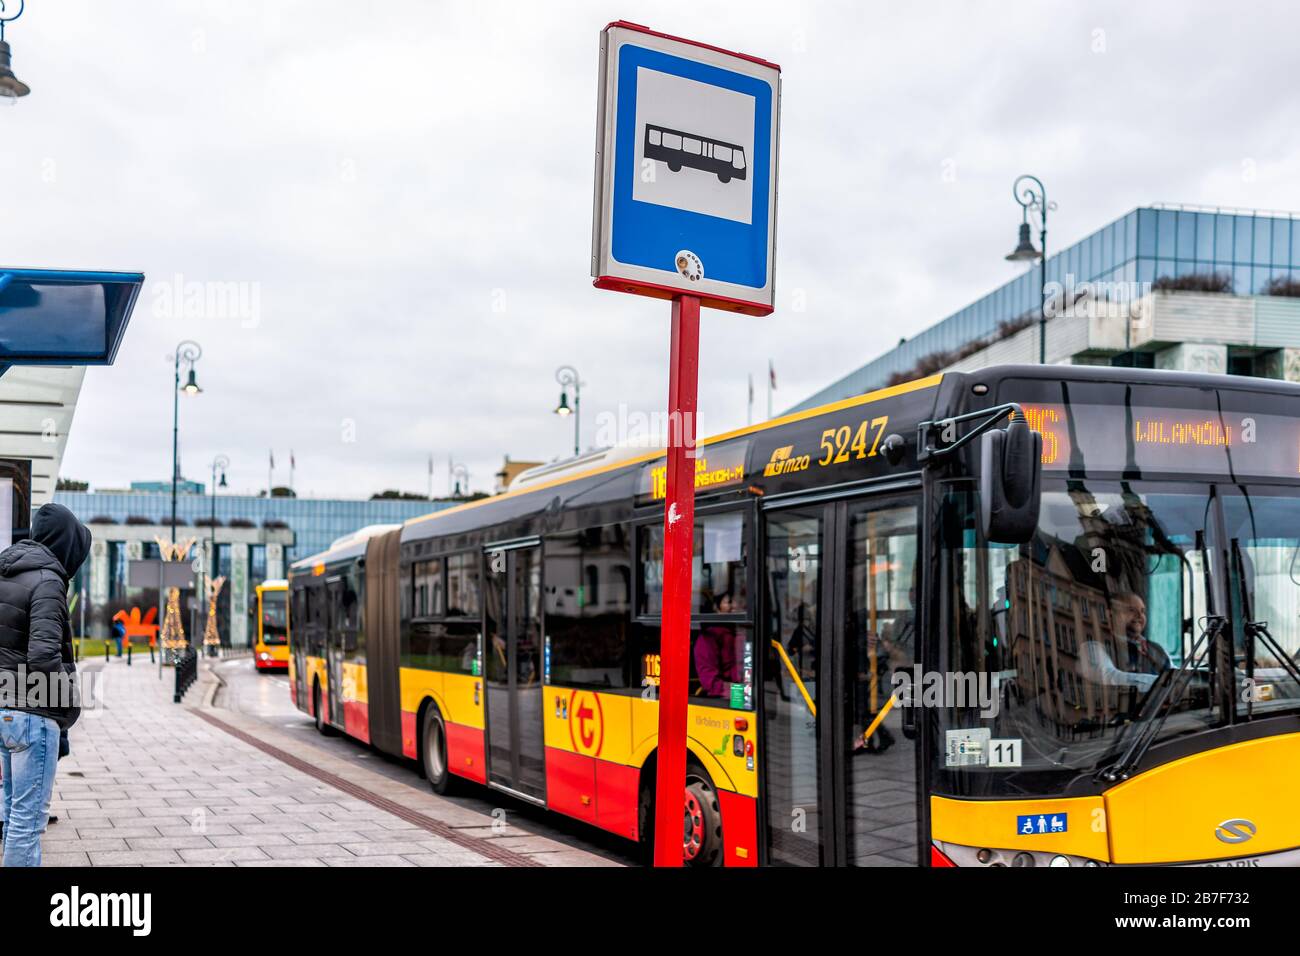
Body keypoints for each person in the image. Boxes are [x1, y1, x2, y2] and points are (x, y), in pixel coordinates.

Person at [0, 503, 89, 867]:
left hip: (4, 711)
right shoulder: (49, 581)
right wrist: (67, 707)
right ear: (65, 545)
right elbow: (43, 658)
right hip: (32, 715)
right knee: (28, 821)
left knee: (11, 813)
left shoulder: (6, 571)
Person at [1083, 591, 1171, 691]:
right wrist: (1163, 683)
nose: (1139, 615)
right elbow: (1110, 677)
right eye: (1131, 610)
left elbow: (1174, 675)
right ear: (1110, 614)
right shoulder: (1093, 647)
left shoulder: (1156, 649)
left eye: (1142, 611)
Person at [694, 593, 742, 698]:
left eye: (735, 601)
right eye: (729, 602)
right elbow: (711, 682)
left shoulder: (738, 634)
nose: (735, 605)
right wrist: (741, 694)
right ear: (716, 608)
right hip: (726, 698)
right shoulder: (708, 637)